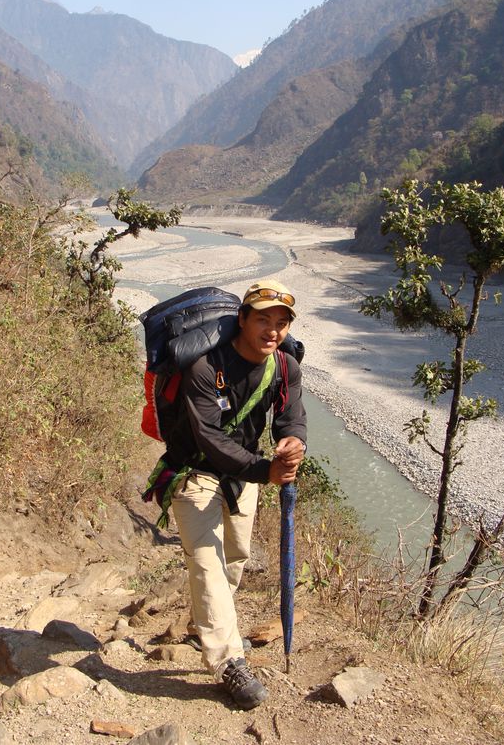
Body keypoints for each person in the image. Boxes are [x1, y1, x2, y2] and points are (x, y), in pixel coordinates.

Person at [167, 278, 307, 710]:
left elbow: (290, 418)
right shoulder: (205, 367)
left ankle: (206, 625)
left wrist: (293, 444)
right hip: (195, 476)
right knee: (207, 562)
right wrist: (266, 470)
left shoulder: (284, 366)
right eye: (263, 319)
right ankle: (228, 662)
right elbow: (208, 436)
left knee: (235, 557)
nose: (273, 331)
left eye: (281, 322)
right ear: (242, 319)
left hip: (244, 477)